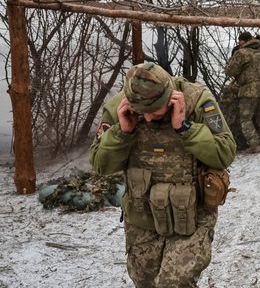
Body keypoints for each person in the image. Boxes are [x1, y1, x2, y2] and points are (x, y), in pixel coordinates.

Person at [89, 62, 236, 287]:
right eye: (142, 114)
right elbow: (101, 165)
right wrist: (122, 133)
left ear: (171, 98)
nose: (147, 119)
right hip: (142, 216)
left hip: (193, 217)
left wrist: (185, 128)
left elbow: (225, 154)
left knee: (173, 282)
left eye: (155, 112)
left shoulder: (197, 101)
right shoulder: (118, 107)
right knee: (143, 280)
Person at [224, 31, 260, 153]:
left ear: (243, 41)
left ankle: (255, 144)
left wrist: (228, 66)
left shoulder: (241, 53)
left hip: (249, 90)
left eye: (239, 41)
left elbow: (230, 71)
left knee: (245, 118)